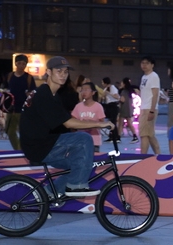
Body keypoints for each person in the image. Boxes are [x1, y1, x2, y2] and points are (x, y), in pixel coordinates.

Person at [19, 56, 111, 197]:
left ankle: (50, 192)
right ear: (48, 72)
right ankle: (76, 186)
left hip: (39, 144)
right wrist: (100, 123)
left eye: (66, 72)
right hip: (39, 146)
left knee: (80, 165)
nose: (63, 75)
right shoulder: (44, 94)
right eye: (59, 71)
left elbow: (65, 121)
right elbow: (68, 123)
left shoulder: (51, 94)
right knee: (84, 138)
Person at [71, 81, 107, 150]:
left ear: (93, 92)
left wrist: (91, 124)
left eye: (86, 90)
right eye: (82, 90)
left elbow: (102, 123)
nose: (84, 92)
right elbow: (73, 122)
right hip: (80, 140)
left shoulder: (98, 106)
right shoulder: (78, 106)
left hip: (94, 140)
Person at [138, 56, 161, 155]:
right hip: (144, 107)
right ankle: (158, 154)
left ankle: (142, 157)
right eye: (142, 63)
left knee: (144, 134)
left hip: (149, 108)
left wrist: (152, 110)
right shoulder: (144, 77)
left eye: (147, 63)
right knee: (150, 134)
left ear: (152, 65)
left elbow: (155, 94)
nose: (144, 65)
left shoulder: (153, 76)